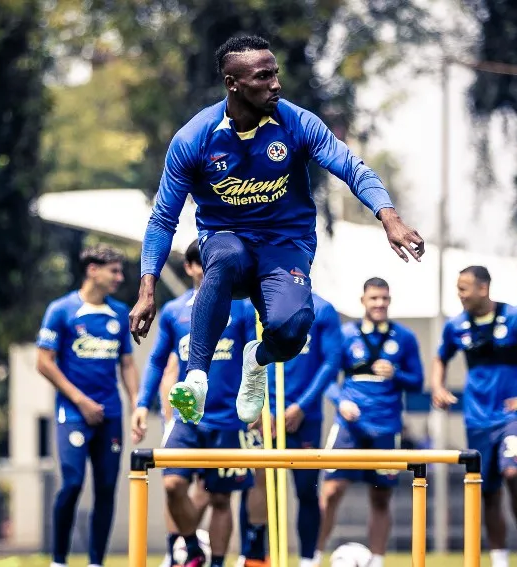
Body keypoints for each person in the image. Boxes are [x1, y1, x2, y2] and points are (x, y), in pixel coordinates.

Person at [129, 34, 425, 428]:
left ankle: (258, 360)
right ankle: (196, 377)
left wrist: (388, 216)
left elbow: (351, 167)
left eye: (276, 74)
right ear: (233, 83)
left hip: (286, 244)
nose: (276, 84)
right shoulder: (194, 139)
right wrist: (147, 287)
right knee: (227, 257)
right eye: (263, 77)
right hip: (226, 238)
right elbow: (163, 218)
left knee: (292, 329)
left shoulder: (297, 122)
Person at [133, 239, 260, 567]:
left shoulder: (243, 308)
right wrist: (141, 405)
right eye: (203, 263)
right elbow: (157, 360)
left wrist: (263, 404)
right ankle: (190, 546)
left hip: (228, 420)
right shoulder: (175, 312)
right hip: (187, 418)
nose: (210, 269)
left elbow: (257, 358)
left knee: (221, 498)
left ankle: (217, 562)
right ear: (190, 267)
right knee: (173, 484)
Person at [430, 266, 517, 567]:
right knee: (488, 491)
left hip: (510, 416)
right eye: (458, 288)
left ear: (483, 288)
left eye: (464, 288)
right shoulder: (456, 326)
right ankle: (499, 558)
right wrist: (438, 386)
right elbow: (440, 357)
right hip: (477, 420)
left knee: (513, 472)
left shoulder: (516, 317)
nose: (459, 294)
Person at [36, 244, 139, 567]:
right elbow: (43, 362)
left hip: (110, 413)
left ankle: (96, 561)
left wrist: (137, 404)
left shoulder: (120, 313)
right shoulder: (61, 310)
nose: (119, 278)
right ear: (93, 270)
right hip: (73, 413)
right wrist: (81, 401)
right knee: (72, 483)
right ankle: (59, 560)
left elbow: (126, 363)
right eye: (114, 271)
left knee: (107, 487)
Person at [316, 278, 423, 567]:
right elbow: (326, 379)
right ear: (362, 300)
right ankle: (313, 557)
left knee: (381, 496)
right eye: (374, 298)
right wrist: (341, 401)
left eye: (385, 299)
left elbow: (418, 382)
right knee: (331, 490)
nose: (380, 304)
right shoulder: (346, 334)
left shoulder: (404, 338)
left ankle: (376, 560)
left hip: (386, 428)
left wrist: (396, 373)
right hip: (348, 428)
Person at [237, 292, 343, 567]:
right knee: (256, 486)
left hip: (304, 417)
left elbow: (331, 362)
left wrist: (301, 407)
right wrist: (260, 407)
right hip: (263, 415)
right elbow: (243, 356)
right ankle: (253, 556)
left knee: (306, 490)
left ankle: (309, 559)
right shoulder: (254, 307)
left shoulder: (323, 308)